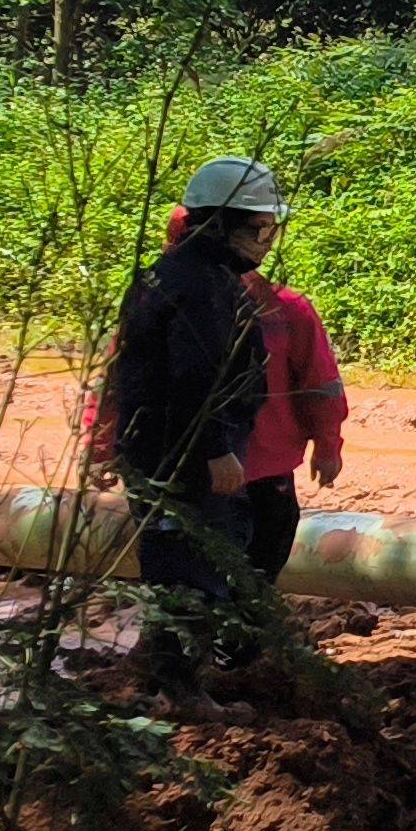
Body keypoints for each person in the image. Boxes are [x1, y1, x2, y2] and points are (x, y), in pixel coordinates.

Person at [97, 157, 292, 673]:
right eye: (257, 228)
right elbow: (194, 379)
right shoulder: (203, 288)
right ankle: (180, 688)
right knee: (193, 571)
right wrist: (216, 451)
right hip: (179, 459)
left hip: (155, 452)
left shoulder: (168, 277)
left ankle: (169, 678)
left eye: (272, 227)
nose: (267, 240)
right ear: (217, 224)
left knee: (174, 567)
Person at [239, 254, 347, 580]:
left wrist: (100, 445)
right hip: (260, 471)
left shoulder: (158, 296)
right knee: (253, 579)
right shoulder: (283, 307)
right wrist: (328, 447)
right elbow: (322, 384)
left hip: (244, 472)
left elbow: (320, 384)